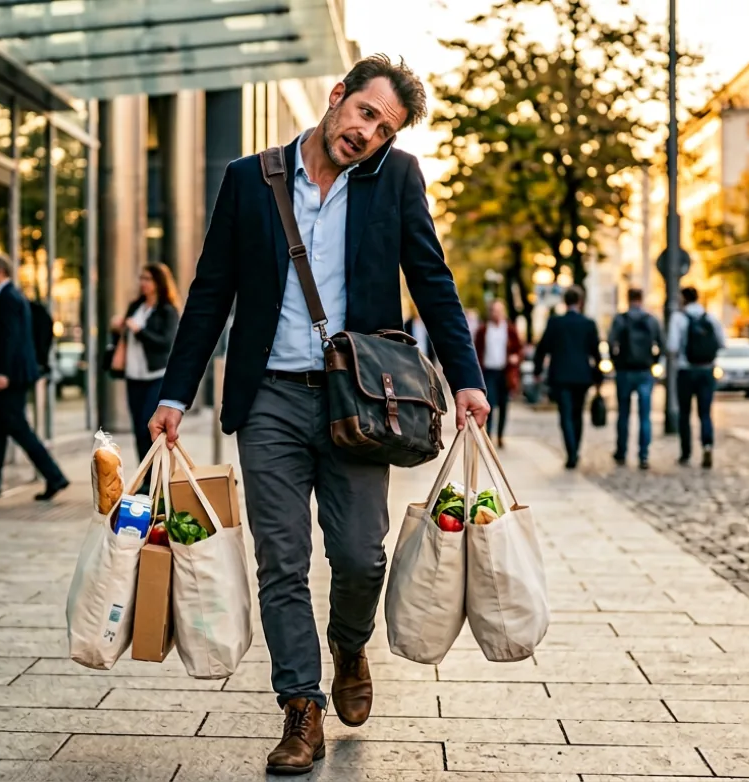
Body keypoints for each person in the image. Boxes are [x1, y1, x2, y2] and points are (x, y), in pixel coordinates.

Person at [147, 55, 488, 776]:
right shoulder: (251, 179)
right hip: (268, 395)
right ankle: (300, 707)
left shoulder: (396, 180)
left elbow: (432, 278)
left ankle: (349, 642)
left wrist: (467, 379)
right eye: (364, 113)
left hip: (359, 401)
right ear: (337, 98)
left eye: (383, 128)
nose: (367, 133)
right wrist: (175, 394)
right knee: (282, 560)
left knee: (363, 554)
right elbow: (211, 291)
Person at [0, 253, 69, 501]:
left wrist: (2, 372)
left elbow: (10, 338)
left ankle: (54, 476)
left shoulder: (8, 298)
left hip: (9, 378)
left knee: (19, 429)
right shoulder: (8, 297)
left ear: (0, 272)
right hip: (8, 377)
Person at [111, 263, 181, 464]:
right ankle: (146, 477)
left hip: (156, 375)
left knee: (148, 424)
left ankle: (158, 475)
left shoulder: (167, 311)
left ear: (159, 283)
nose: (143, 283)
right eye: (141, 278)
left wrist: (139, 330)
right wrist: (118, 328)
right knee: (138, 429)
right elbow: (124, 337)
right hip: (134, 375)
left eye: (148, 279)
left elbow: (165, 343)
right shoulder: (136, 307)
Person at [532, 286, 601, 470]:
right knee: (578, 414)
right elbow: (596, 351)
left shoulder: (555, 323)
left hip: (561, 376)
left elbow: (542, 347)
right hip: (582, 377)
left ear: (565, 301)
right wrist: (598, 376)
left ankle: (571, 452)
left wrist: (537, 370)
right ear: (580, 301)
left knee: (566, 415)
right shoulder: (588, 323)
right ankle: (575, 450)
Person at [668, 286, 725, 469]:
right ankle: (707, 446)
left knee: (684, 413)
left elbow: (672, 346)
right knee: (705, 413)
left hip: (685, 371)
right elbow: (722, 343)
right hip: (707, 371)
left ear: (683, 299)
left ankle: (686, 452)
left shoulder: (678, 318)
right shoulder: (710, 317)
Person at [608, 288, 663, 470]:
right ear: (641, 298)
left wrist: (615, 361)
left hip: (624, 371)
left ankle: (621, 452)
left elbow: (610, 341)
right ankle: (643, 455)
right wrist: (653, 361)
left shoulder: (621, 319)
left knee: (623, 414)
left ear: (628, 298)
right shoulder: (651, 320)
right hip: (644, 371)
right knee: (644, 416)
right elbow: (661, 344)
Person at [473, 299, 523, 447]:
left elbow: (519, 349)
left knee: (504, 404)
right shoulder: (483, 330)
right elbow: (476, 350)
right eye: (494, 311)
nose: (497, 314)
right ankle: (488, 435)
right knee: (490, 404)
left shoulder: (509, 329)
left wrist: (515, 358)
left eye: (499, 311)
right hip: (488, 372)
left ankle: (500, 435)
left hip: (504, 372)